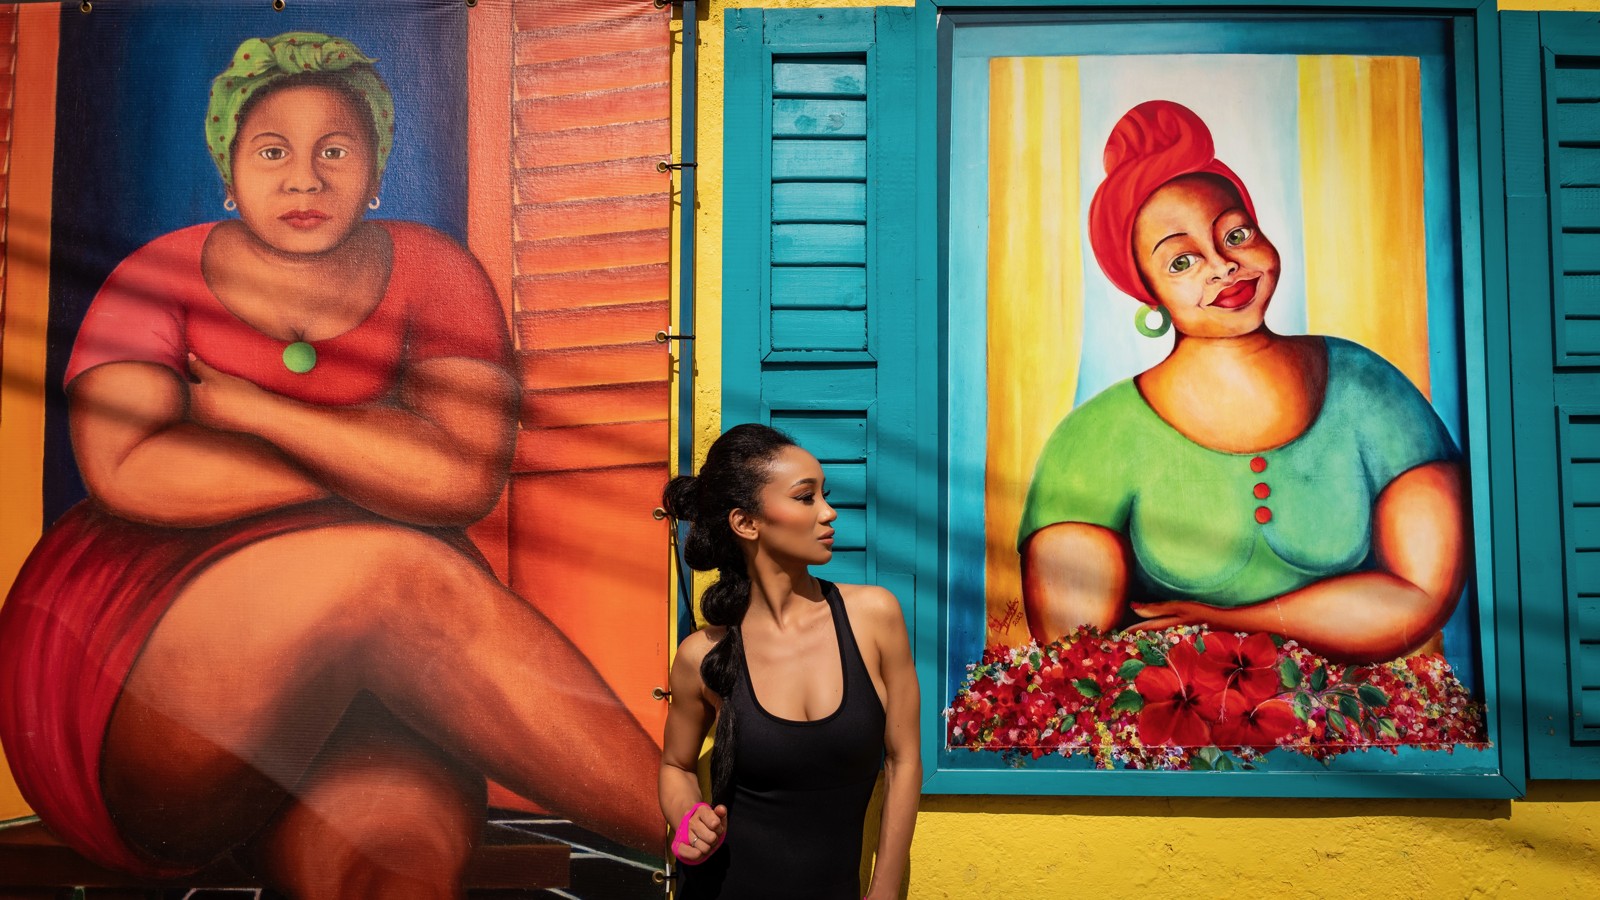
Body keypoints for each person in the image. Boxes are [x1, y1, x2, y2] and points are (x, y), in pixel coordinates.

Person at [0, 32, 660, 897]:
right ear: (229, 172)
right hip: (143, 668)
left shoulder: (434, 271)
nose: (304, 179)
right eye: (272, 152)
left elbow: (463, 479)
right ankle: (709, 838)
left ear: (377, 169)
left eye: (335, 151)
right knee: (390, 569)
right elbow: (133, 471)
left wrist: (256, 412)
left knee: (399, 864)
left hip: (374, 685)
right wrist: (377, 457)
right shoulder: (157, 273)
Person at [1019, 99, 1468, 665]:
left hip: (1356, 733)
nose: (1223, 266)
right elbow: (1076, 656)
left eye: (1235, 235)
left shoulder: (1367, 387)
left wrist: (1224, 622)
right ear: (1147, 292)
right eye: (1182, 262)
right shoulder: (1093, 440)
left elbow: (1421, 594)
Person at [657, 424, 920, 900]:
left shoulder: (875, 617)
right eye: (806, 497)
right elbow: (675, 766)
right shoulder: (702, 654)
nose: (829, 511)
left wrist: (884, 891)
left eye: (825, 494)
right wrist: (688, 821)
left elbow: (903, 761)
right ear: (746, 523)